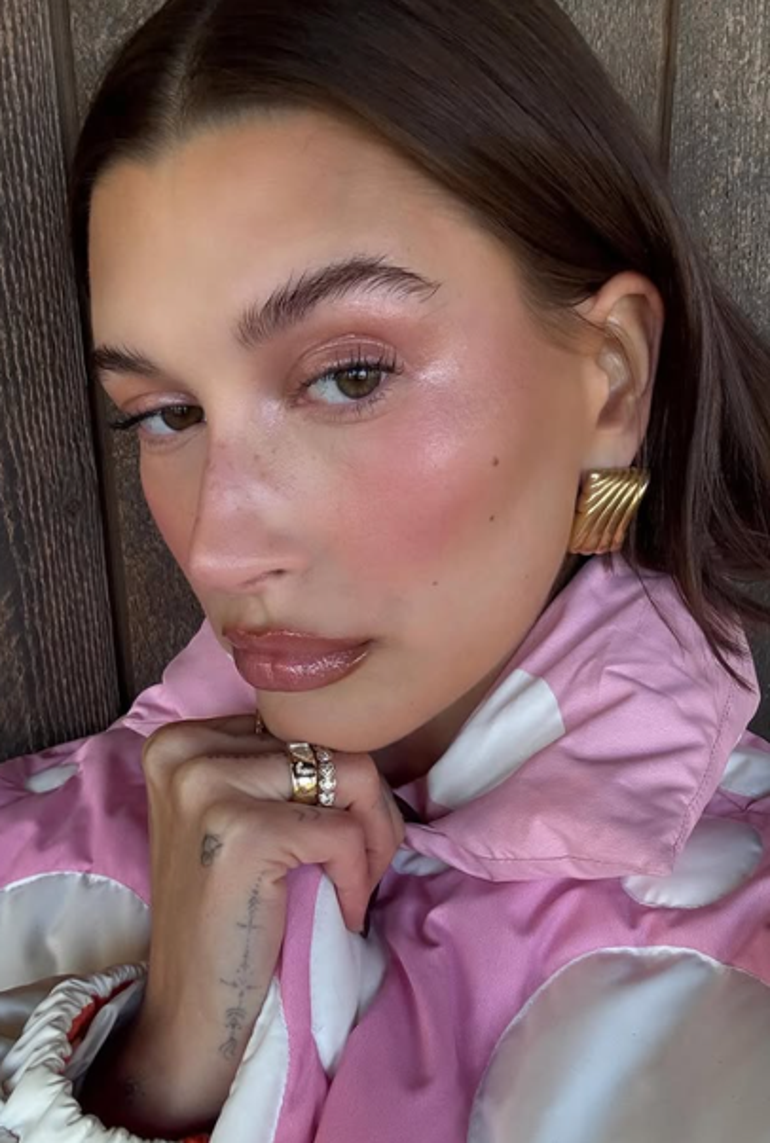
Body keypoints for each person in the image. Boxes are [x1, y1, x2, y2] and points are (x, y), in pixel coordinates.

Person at [2, 0, 770, 1139]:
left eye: (349, 377)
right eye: (166, 413)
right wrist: (151, 1074)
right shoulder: (41, 843)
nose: (216, 547)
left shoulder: (735, 975)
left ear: (608, 379)